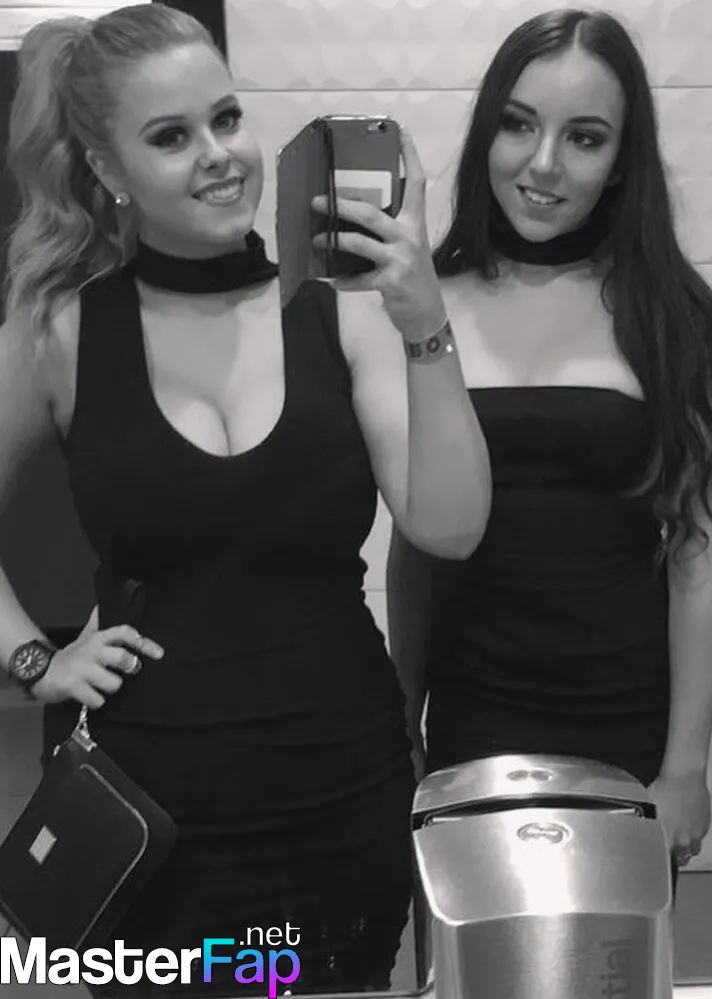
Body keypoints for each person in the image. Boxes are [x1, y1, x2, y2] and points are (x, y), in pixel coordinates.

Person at [0, 4, 489, 995]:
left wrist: (426, 323)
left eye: (225, 118)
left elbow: (451, 524)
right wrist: (34, 661)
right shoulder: (64, 334)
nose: (218, 154)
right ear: (107, 170)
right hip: (147, 808)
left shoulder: (337, 314)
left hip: (339, 789)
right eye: (171, 136)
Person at [387, 7, 712, 878]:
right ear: (486, 133)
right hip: (471, 715)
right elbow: (416, 542)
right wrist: (402, 717)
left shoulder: (672, 319)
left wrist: (686, 768)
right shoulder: (428, 307)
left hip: (624, 722)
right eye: (519, 125)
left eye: (584, 138)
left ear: (622, 160)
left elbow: (699, 553)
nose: (543, 164)